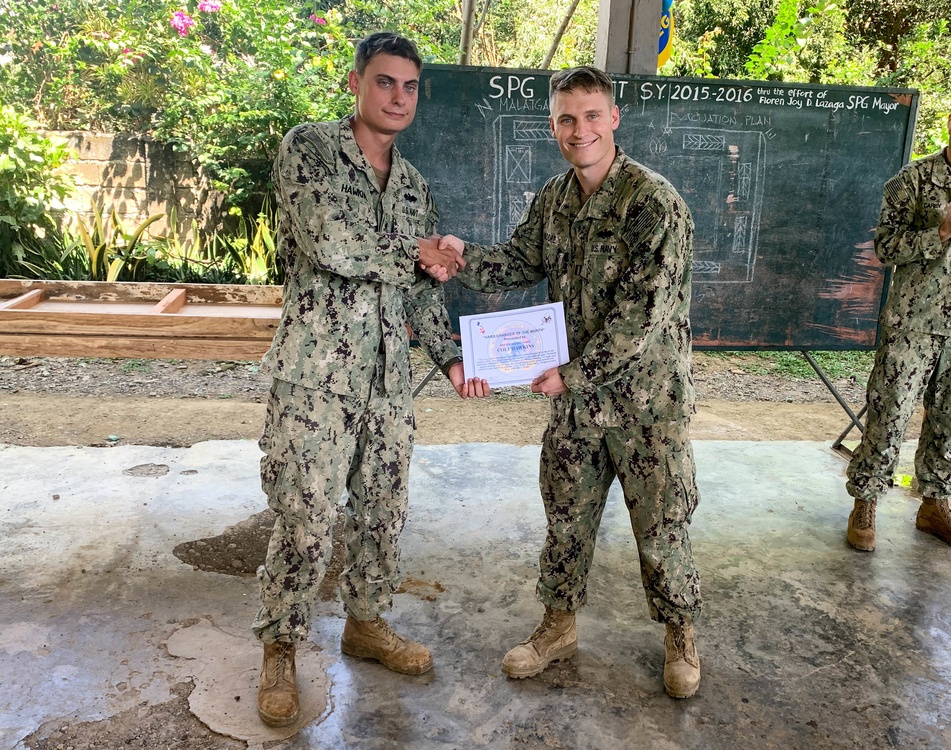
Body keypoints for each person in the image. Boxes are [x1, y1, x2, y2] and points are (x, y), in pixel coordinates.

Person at [443, 66, 703, 698]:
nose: (578, 129)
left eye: (591, 116)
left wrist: (572, 375)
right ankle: (558, 627)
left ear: (613, 119)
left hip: (645, 406)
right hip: (575, 405)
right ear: (553, 125)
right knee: (566, 518)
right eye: (565, 118)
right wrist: (459, 256)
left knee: (663, 528)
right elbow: (517, 261)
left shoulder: (654, 203)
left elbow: (640, 318)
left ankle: (681, 634)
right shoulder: (555, 199)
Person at [251, 32, 484, 728]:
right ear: (356, 83)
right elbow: (330, 241)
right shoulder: (310, 149)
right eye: (385, 83)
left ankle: (366, 623)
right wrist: (417, 250)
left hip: (387, 385)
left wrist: (450, 359)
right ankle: (281, 649)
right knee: (306, 519)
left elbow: (419, 291)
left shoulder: (413, 187)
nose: (398, 97)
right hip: (317, 378)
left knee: (382, 515)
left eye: (410, 87)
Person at [846, 83, 951, 553]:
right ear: (949, 120)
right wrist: (941, 232)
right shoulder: (911, 180)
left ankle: (934, 505)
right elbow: (886, 248)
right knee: (889, 415)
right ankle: (865, 502)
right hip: (912, 326)